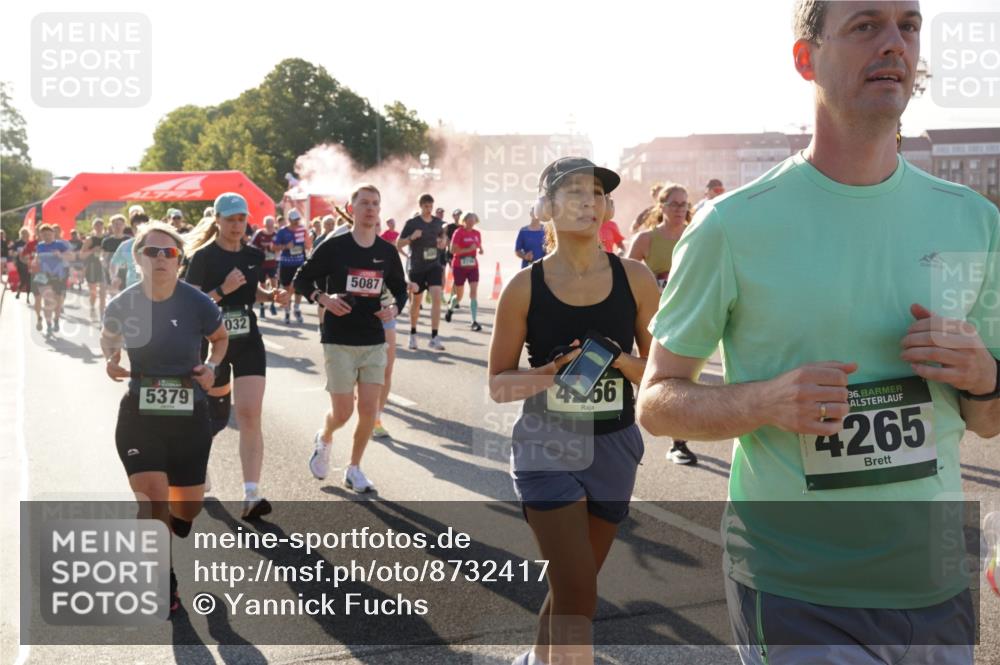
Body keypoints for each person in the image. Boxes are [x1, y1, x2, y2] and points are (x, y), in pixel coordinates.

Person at [637, 3, 999, 663]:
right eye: (865, 25)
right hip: (797, 589)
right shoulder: (730, 226)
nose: (894, 43)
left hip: (937, 583)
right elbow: (657, 401)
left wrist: (984, 376)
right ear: (806, 59)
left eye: (908, 26)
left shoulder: (974, 221)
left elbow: (989, 421)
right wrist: (764, 401)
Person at [489, 157, 659, 665]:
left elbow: (660, 373)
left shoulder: (636, 279)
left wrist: (617, 357)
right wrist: (550, 373)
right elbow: (498, 385)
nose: (589, 202)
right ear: (546, 209)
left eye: (597, 193)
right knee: (580, 591)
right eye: (574, 193)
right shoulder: (524, 287)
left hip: (615, 445)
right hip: (548, 442)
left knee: (570, 589)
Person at [100, 220, 227, 614]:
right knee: (151, 502)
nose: (160, 258)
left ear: (179, 260)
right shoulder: (122, 304)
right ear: (138, 258)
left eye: (168, 252)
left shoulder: (197, 303)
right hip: (140, 415)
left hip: (189, 418)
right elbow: (108, 336)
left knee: (187, 509)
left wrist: (211, 367)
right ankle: (164, 581)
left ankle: (179, 515)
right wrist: (111, 357)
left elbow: (220, 339)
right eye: (151, 251)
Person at [293, 184, 407, 492]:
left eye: (375, 204)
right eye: (364, 203)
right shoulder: (334, 247)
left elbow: (400, 289)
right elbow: (301, 279)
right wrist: (324, 298)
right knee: (343, 412)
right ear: (351, 208)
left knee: (369, 410)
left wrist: (395, 307)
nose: (370, 208)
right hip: (339, 340)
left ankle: (354, 468)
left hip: (373, 340)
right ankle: (325, 435)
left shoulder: (386, 252)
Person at [185, 193, 285, 519]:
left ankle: (251, 494)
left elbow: (252, 291)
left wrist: (272, 296)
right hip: (212, 343)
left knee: (249, 413)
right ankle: (198, 465)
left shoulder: (254, 254)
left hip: (247, 341)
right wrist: (221, 291)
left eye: (241, 219)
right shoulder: (202, 257)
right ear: (217, 220)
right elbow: (192, 307)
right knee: (211, 417)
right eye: (230, 220)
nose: (237, 225)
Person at [398, 193, 447, 351]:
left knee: (437, 298)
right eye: (426, 206)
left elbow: (443, 238)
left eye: (431, 206)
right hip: (417, 267)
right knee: (416, 302)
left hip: (434, 266)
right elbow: (398, 244)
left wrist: (443, 241)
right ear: (420, 206)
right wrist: (411, 238)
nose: (429, 209)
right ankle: (413, 334)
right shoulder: (412, 223)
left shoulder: (438, 223)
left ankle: (434, 337)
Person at [445, 212, 484, 331]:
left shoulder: (477, 233)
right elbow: (452, 250)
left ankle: (474, 321)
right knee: (459, 296)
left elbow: (479, 246)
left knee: (473, 293)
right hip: (459, 266)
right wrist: (468, 249)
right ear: (464, 221)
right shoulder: (458, 232)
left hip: (473, 266)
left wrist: (480, 250)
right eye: (469, 220)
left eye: (473, 220)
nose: (471, 222)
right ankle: (450, 308)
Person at [32, 224, 71, 335]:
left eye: (49, 234)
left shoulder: (60, 244)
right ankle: (48, 324)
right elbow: (37, 257)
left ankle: (56, 320)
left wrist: (60, 255)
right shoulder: (40, 246)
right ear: (41, 235)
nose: (47, 237)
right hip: (43, 275)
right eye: (44, 235)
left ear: (53, 234)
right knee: (47, 300)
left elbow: (70, 257)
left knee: (58, 301)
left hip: (59, 275)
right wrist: (35, 261)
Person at [274, 209, 310, 324]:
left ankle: (297, 308)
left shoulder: (302, 230)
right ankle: (287, 311)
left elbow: (308, 245)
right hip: (286, 264)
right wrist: (285, 246)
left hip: (299, 263)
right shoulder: (282, 231)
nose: (296, 222)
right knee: (286, 288)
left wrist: (307, 244)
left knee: (299, 287)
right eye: (294, 220)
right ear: (289, 220)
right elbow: (274, 247)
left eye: (298, 219)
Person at [110, 212, 150, 291]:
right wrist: (114, 277)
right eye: (136, 228)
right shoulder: (125, 246)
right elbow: (114, 263)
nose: (139, 230)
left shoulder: (157, 244)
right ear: (132, 228)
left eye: (142, 227)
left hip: (153, 288)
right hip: (132, 287)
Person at [251, 215, 280, 319]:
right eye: (268, 225)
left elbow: (280, 246)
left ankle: (272, 304)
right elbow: (252, 245)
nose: (270, 227)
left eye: (272, 225)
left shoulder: (276, 235)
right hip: (261, 264)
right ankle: (262, 307)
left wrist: (276, 249)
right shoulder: (259, 234)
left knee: (274, 283)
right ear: (265, 225)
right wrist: (260, 250)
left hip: (272, 263)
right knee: (262, 285)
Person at [101, 215, 129, 299]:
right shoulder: (107, 241)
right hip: (111, 271)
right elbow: (103, 256)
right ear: (111, 226)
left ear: (124, 226)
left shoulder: (129, 240)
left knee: (125, 296)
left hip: (126, 271)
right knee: (113, 296)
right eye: (115, 224)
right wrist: (104, 263)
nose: (118, 226)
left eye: (120, 224)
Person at [13, 227, 35, 303]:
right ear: (21, 234)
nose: (24, 235)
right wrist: (17, 253)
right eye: (23, 233)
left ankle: (27, 297)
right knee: (23, 279)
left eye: (26, 233)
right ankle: (19, 291)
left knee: (28, 279)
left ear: (28, 234)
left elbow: (33, 252)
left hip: (29, 263)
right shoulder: (17, 242)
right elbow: (13, 252)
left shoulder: (30, 242)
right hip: (20, 263)